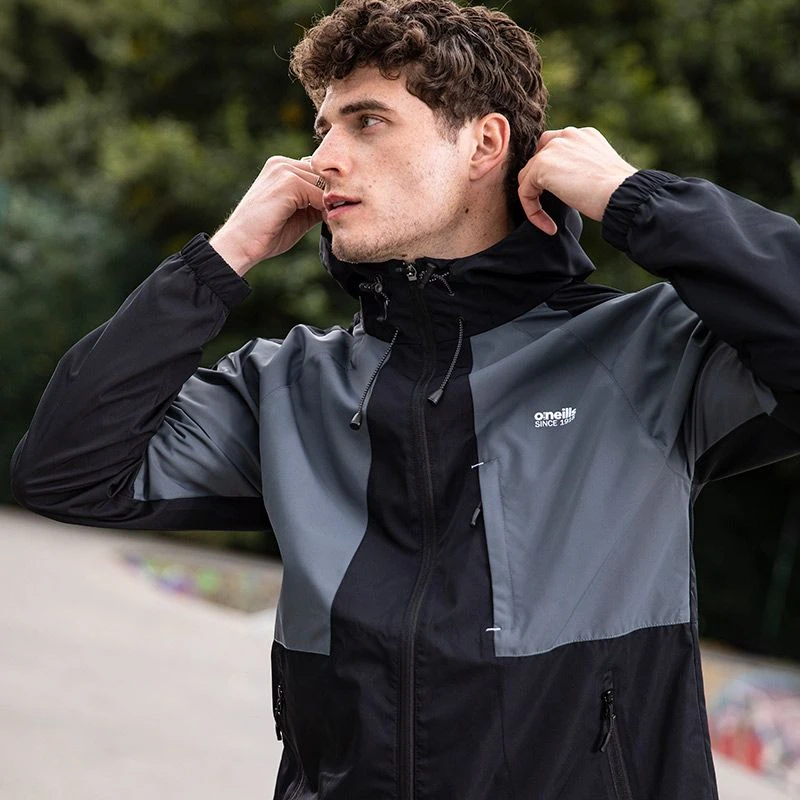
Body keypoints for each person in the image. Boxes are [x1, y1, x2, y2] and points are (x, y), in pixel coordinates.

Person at [11, 0, 800, 797]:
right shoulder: (290, 388)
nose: (324, 158)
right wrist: (226, 255)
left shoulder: (647, 356)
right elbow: (68, 472)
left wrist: (635, 200)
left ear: (484, 144)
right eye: (322, 128)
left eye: (367, 122)